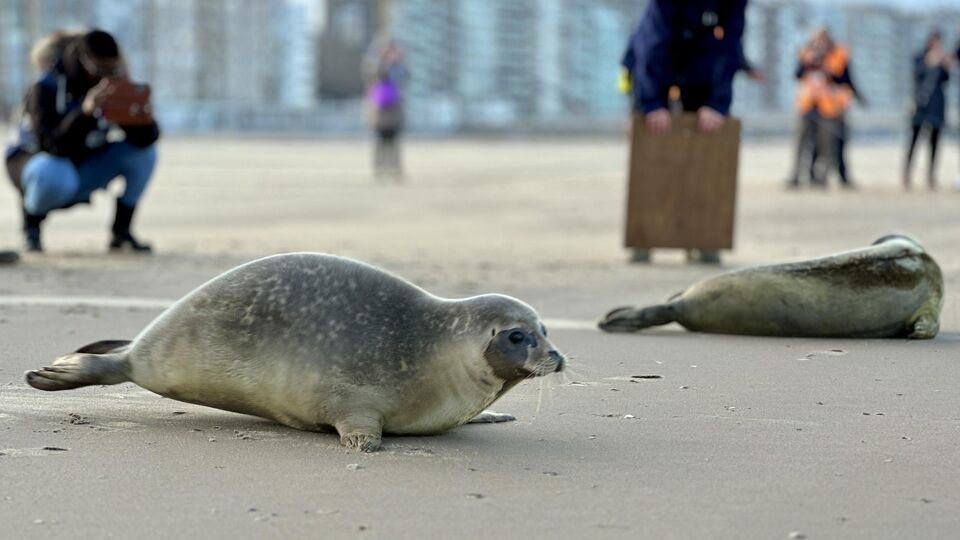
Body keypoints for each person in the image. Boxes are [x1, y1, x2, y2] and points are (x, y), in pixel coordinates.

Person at [4, 29, 159, 253]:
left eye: (111, 69)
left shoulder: (111, 84)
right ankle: (31, 227)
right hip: (36, 166)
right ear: (84, 61)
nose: (105, 76)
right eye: (100, 69)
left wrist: (142, 119)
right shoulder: (46, 86)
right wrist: (84, 113)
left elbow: (144, 140)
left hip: (80, 166)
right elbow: (52, 145)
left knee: (144, 154)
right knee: (54, 171)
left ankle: (121, 232)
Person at [621, 0, 747, 264]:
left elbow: (730, 45)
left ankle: (703, 238)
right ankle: (644, 236)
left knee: (708, 143)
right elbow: (652, 45)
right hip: (652, 61)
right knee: (651, 142)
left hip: (700, 61)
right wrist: (652, 103)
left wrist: (717, 103)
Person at [785, 28, 858, 190]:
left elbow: (845, 79)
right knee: (801, 144)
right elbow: (797, 74)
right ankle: (796, 176)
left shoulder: (838, 55)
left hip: (828, 108)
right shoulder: (806, 54)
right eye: (817, 39)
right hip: (807, 106)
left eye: (823, 39)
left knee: (826, 147)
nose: (820, 43)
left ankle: (821, 178)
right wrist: (810, 62)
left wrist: (826, 70)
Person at [903, 31, 952, 191]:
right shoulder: (920, 57)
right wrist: (928, 62)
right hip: (921, 105)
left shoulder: (942, 60)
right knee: (914, 141)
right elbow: (916, 74)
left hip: (937, 106)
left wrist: (944, 65)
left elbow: (946, 80)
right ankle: (907, 174)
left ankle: (931, 176)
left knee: (935, 143)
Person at [365, 39, 408, 182]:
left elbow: (405, 77)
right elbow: (371, 71)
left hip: (394, 115)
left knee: (394, 145)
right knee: (381, 145)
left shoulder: (399, 69)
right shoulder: (379, 68)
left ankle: (395, 171)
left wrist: (397, 60)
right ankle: (380, 170)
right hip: (381, 115)